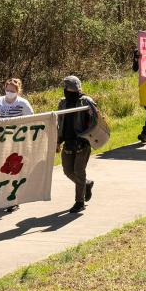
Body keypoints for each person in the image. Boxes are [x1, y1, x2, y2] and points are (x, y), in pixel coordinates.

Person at [0, 78, 34, 212]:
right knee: (2, 169)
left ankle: (14, 200)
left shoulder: (23, 103)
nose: (9, 92)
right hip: (1, 141)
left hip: (17, 142)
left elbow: (31, 120)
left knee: (14, 170)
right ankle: (3, 197)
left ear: (18, 91)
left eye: (12, 90)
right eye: (7, 90)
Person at [57, 76, 99, 214]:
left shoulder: (86, 101)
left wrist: (86, 136)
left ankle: (79, 202)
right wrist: (58, 141)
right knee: (68, 171)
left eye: (68, 87)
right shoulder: (62, 103)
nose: (66, 90)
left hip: (83, 143)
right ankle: (86, 184)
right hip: (67, 142)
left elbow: (96, 121)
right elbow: (59, 123)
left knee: (79, 171)